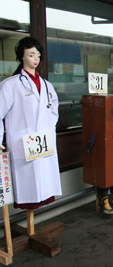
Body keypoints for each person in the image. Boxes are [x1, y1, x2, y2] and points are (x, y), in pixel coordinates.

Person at [0, 37, 61, 209]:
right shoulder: (11, 85)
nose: (36, 59)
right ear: (22, 57)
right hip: (23, 142)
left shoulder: (47, 85)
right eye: (31, 54)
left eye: (38, 55)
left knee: (44, 182)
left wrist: (47, 129)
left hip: (42, 142)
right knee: (28, 184)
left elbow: (53, 111)